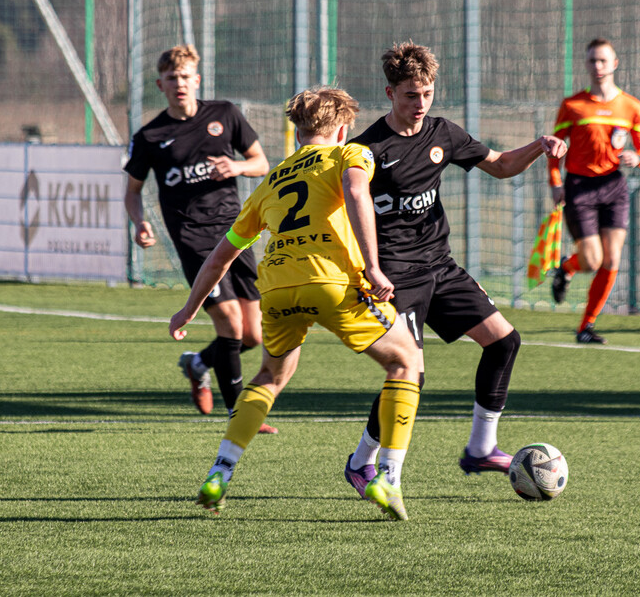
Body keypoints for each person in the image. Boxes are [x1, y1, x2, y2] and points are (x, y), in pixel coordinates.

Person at [169, 87, 422, 520]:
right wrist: (373, 267)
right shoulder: (349, 154)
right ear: (342, 129)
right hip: (331, 281)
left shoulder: (271, 180)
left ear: (299, 131)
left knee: (270, 376)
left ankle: (220, 472)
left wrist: (188, 309)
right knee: (406, 362)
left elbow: (220, 257)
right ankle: (389, 477)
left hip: (277, 287)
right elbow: (357, 193)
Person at [342, 41, 566, 495]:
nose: (420, 103)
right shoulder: (366, 148)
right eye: (411, 95)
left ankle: (482, 447)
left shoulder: (443, 132)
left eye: (427, 93)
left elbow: (500, 166)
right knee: (410, 374)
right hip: (395, 276)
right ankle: (361, 461)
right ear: (390, 93)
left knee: (504, 341)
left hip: (440, 266)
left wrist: (539, 147)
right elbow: (350, 202)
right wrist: (369, 267)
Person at [125, 44, 277, 434]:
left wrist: (237, 167)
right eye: (171, 78)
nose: (179, 84)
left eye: (185, 77)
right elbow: (132, 192)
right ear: (160, 85)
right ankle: (240, 415)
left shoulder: (225, 114)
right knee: (229, 321)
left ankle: (198, 363)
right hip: (192, 237)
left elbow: (261, 163)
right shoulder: (150, 136)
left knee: (253, 335)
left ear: (197, 79)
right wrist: (140, 222)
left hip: (237, 231)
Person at [547, 38, 640, 344]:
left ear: (614, 64)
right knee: (592, 261)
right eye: (592, 60)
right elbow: (555, 150)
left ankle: (586, 326)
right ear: (586, 64)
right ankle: (566, 268)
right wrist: (555, 182)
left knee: (612, 259)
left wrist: (639, 158)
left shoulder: (630, 106)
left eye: (603, 60)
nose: (598, 66)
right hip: (580, 188)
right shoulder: (572, 105)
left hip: (613, 187)